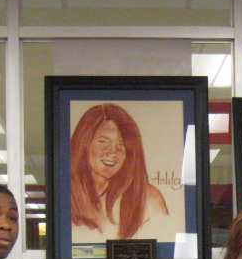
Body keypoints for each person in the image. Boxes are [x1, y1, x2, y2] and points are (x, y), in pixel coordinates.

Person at [69, 103, 169, 241]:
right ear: (83, 143)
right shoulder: (66, 195)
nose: (112, 152)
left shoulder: (148, 198)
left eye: (121, 144)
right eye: (103, 141)